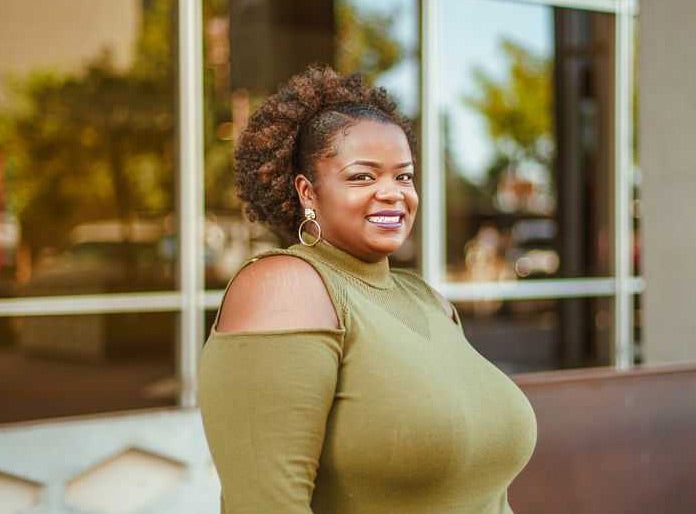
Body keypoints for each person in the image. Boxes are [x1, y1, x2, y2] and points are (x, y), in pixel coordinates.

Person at [197, 65, 538, 514]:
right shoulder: (286, 288)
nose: (393, 193)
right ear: (307, 192)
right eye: (362, 176)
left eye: (404, 176)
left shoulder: (427, 299)